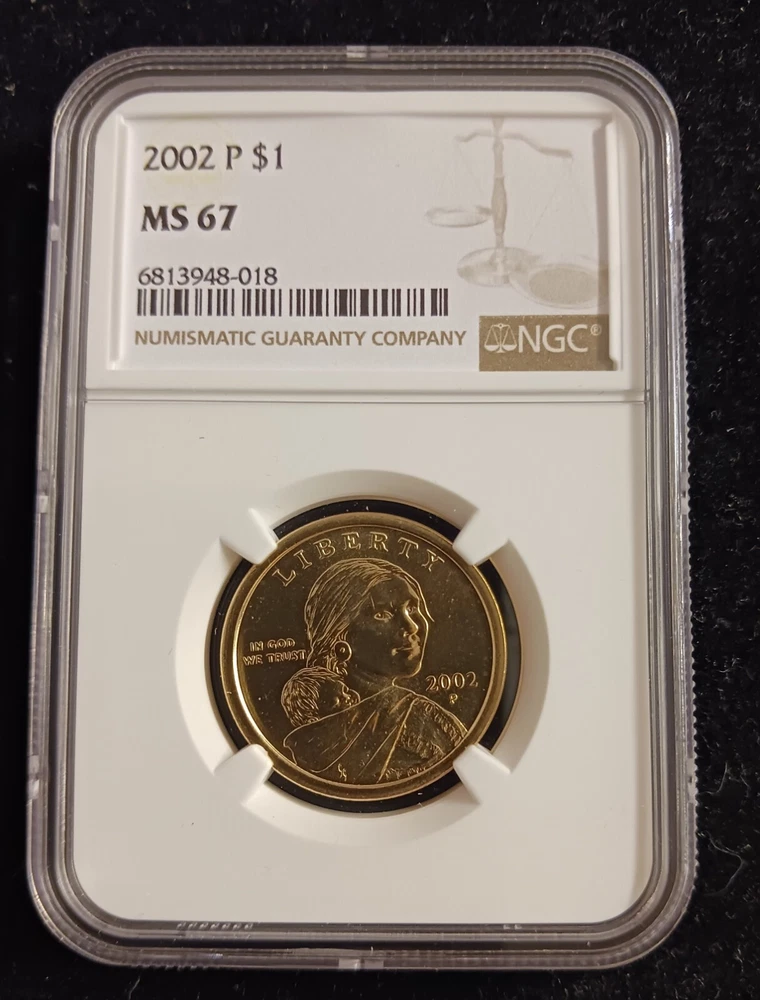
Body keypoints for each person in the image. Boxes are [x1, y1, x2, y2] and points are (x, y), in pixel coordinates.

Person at [281, 557, 466, 784]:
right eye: (382, 614)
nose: (411, 626)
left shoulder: (426, 718)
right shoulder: (426, 721)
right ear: (341, 635)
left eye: (412, 608)